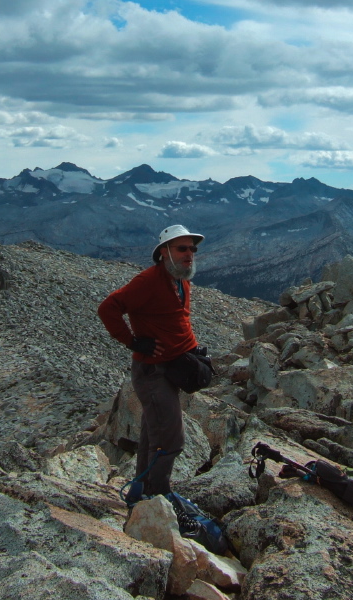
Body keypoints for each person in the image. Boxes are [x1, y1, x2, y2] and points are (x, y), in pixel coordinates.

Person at [93, 226, 241, 598]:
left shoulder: (181, 281)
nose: (189, 254)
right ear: (163, 252)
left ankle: (141, 494)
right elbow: (108, 308)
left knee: (150, 431)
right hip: (152, 371)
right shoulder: (147, 281)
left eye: (192, 249)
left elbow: (176, 319)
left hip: (175, 366)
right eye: (181, 248)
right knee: (171, 438)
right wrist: (132, 340)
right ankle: (160, 494)